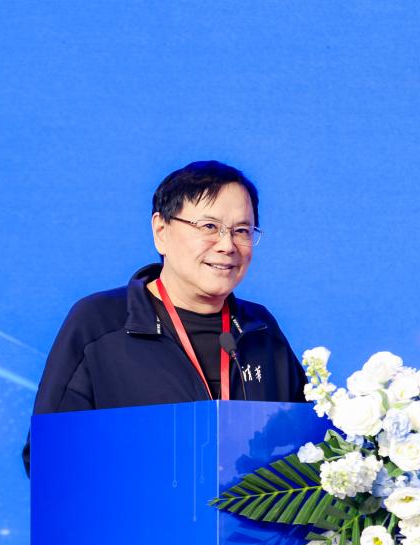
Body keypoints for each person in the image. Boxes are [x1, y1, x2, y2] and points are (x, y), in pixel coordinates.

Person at [22, 160, 308, 475]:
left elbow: (307, 451)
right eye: (209, 227)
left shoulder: (260, 329)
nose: (227, 246)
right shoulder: (100, 323)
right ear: (161, 231)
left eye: (241, 231)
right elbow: (49, 458)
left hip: (248, 509)